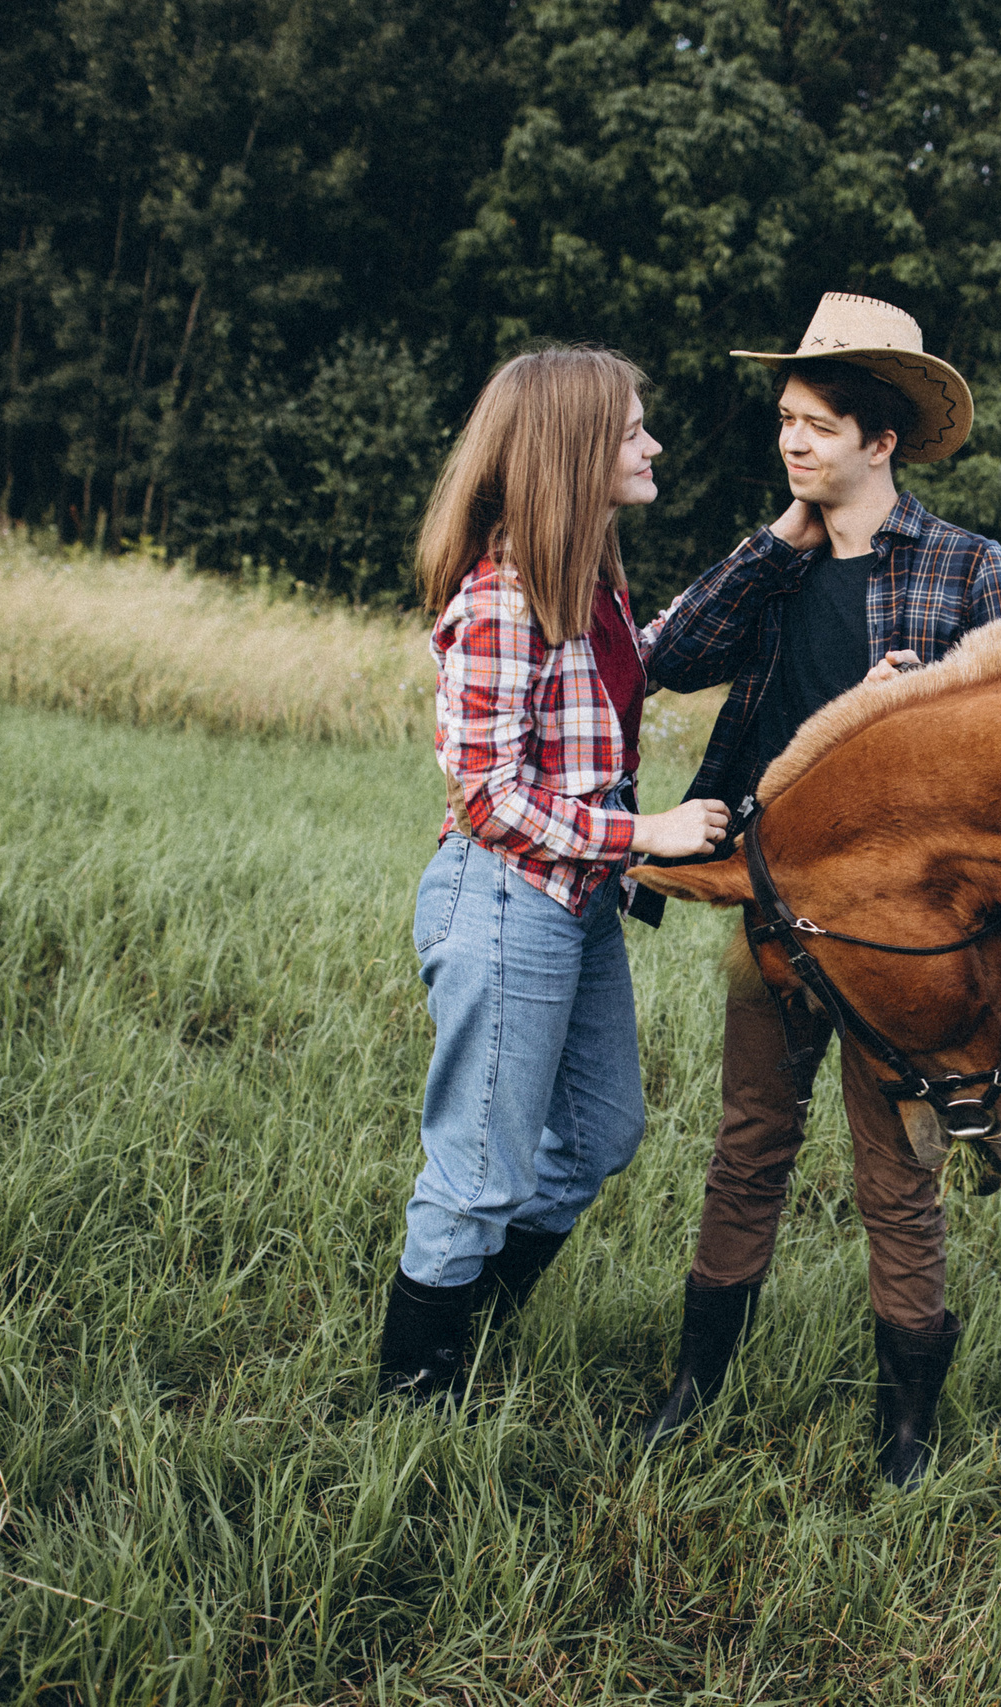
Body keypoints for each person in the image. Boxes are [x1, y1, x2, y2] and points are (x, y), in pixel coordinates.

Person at [636, 293, 1001, 1484]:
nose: (796, 443)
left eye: (821, 425)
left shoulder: (972, 570)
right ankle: (693, 1387)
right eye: (787, 421)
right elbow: (666, 660)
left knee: (894, 1172)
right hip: (767, 908)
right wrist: (776, 542)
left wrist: (913, 721)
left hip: (901, 935)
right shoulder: (777, 563)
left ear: (883, 442)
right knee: (748, 1144)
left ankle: (905, 1428)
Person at [378, 346, 732, 1403]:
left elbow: (656, 651)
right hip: (502, 900)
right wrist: (647, 836)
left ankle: (473, 1329)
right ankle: (415, 1397)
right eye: (631, 430)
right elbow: (484, 796)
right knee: (478, 1171)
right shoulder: (502, 598)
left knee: (598, 1132)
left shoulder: (592, 588)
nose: (652, 444)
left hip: (570, 907)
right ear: (575, 452)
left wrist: (776, 555)